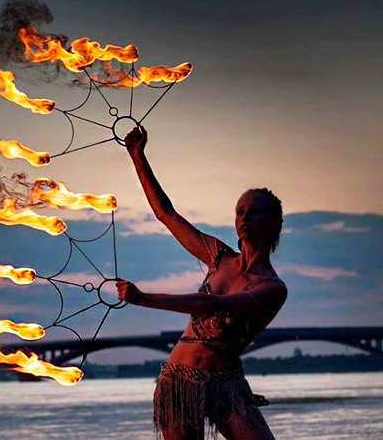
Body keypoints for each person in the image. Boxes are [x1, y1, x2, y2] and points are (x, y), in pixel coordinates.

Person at [116, 126, 288, 440]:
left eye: (255, 212)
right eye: (240, 211)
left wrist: (143, 298)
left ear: (274, 223)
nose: (245, 217)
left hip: (227, 384)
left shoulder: (272, 288)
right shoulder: (219, 256)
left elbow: (212, 304)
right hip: (179, 381)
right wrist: (137, 156)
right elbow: (166, 214)